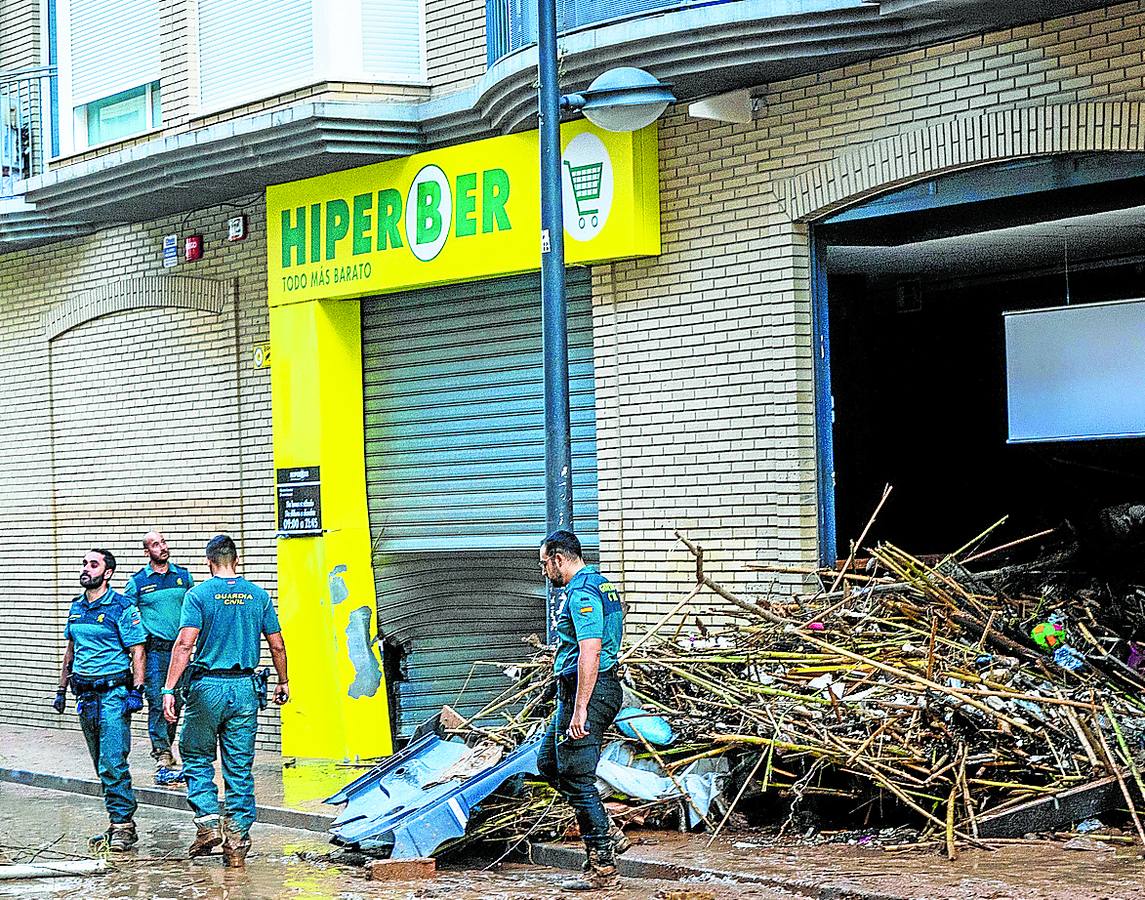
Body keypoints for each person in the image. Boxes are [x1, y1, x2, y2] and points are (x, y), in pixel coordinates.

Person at [162, 535, 289, 867]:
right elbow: (277, 644)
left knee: (195, 754)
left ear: (208, 561)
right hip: (246, 689)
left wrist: (168, 689)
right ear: (237, 559)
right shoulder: (258, 595)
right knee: (239, 767)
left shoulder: (198, 595)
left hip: (207, 688)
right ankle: (236, 842)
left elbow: (185, 644)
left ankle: (207, 824)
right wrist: (284, 681)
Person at [536, 530, 625, 892]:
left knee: (576, 776)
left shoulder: (582, 592)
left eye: (544, 564)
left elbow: (591, 650)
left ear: (559, 558)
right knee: (549, 764)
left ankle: (603, 866)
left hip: (590, 689)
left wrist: (580, 710)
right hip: (579, 690)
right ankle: (607, 830)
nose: (544, 572)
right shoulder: (603, 585)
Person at [53, 549, 147, 852]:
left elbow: (138, 650)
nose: (86, 569)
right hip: (86, 696)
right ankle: (116, 822)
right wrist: (61, 688)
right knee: (100, 762)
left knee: (112, 760)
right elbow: (71, 649)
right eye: (84, 563)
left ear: (107, 573)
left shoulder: (121, 607)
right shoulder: (76, 608)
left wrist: (137, 689)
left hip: (114, 695)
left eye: (93, 564)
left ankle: (123, 826)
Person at [123, 531, 194, 785]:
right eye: (155, 544)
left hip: (181, 652)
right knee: (157, 701)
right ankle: (162, 752)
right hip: (154, 653)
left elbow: (195, 610)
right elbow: (127, 617)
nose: (162, 547)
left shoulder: (183, 577)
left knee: (177, 700)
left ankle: (168, 743)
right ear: (146, 552)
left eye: (163, 542)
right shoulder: (137, 582)